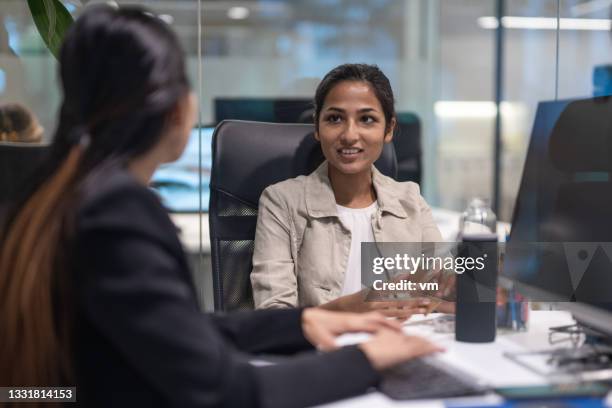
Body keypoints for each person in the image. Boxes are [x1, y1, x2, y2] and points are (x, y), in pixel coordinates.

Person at [0, 6, 443, 407]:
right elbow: (223, 389)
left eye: (367, 119)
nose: (350, 134)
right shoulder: (116, 214)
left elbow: (181, 333)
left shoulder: (63, 192)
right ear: (176, 107)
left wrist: (303, 324)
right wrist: (366, 360)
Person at [251, 64, 454, 318]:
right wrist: (352, 307)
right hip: (323, 352)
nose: (349, 135)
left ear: (388, 129)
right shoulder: (282, 202)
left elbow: (443, 289)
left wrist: (468, 284)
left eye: (366, 119)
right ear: (317, 126)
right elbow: (272, 317)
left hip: (401, 344)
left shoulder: (409, 199)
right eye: (335, 118)